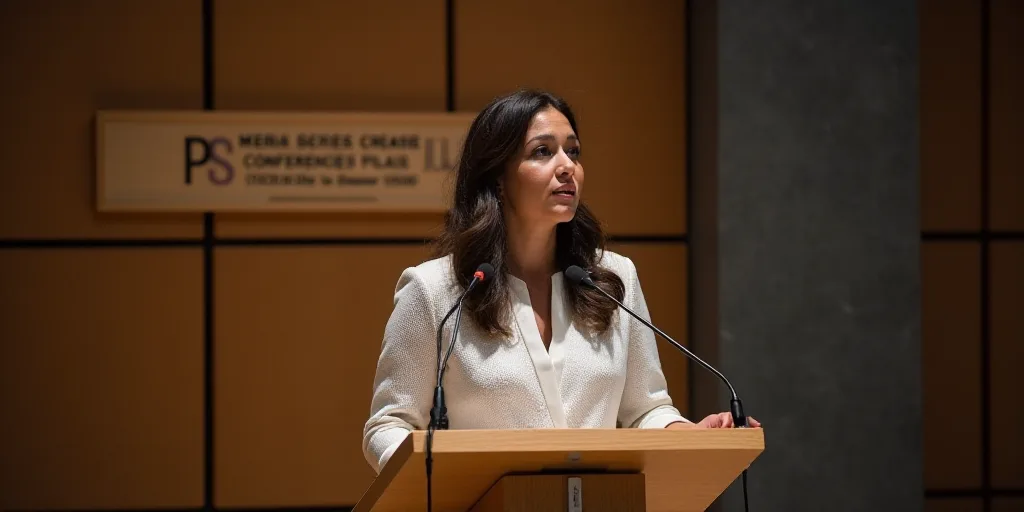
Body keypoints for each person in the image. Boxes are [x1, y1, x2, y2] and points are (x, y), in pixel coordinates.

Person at [362, 89, 759, 473]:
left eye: (573, 150)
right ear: (498, 176)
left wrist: (688, 434)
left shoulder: (613, 280)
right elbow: (388, 425)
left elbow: (646, 408)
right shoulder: (436, 291)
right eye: (543, 151)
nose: (567, 165)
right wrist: (439, 476)